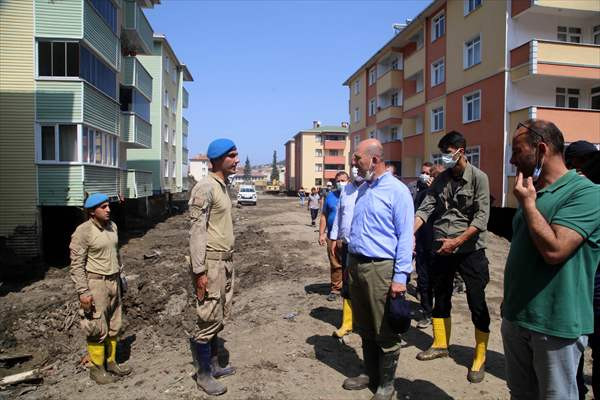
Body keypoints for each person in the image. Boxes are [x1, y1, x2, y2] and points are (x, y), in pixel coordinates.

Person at [502, 120, 600, 400]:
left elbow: (555, 251)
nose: (511, 159)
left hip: (555, 324)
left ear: (541, 149)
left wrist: (529, 206)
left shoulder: (587, 194)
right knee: (520, 394)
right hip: (517, 317)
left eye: (517, 151)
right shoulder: (533, 191)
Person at [414, 131, 491, 384]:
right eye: (442, 154)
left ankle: (479, 355)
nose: (444, 158)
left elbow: (481, 218)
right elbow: (426, 207)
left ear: (461, 151)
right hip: (441, 247)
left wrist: (456, 242)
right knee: (441, 293)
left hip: (470, 250)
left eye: (447, 153)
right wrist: (408, 233)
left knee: (476, 300)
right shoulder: (442, 179)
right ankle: (440, 344)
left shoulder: (479, 178)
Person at [342, 139, 414, 400]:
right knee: (364, 326)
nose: (353, 163)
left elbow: (406, 237)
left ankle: (387, 384)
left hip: (381, 269)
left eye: (357, 158)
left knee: (385, 330)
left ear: (374, 160)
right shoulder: (363, 188)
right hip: (357, 265)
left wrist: (400, 277)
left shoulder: (397, 192)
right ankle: (370, 373)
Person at [188, 138, 239, 396]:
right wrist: (199, 272)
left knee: (219, 314)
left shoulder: (222, 186)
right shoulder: (205, 187)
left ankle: (215, 364)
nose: (237, 160)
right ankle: (203, 374)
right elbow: (197, 232)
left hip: (225, 262)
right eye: (232, 155)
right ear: (217, 159)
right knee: (207, 316)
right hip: (210, 264)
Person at [69, 193, 130, 384]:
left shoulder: (113, 227)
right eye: (103, 207)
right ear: (92, 211)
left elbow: (115, 253)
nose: (108, 209)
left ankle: (111, 363)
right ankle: (97, 369)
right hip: (96, 283)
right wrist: (83, 292)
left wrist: (121, 277)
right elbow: (76, 264)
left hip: (113, 281)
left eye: (108, 206)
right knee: (96, 327)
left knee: (114, 325)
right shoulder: (83, 231)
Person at [330, 166, 363, 337]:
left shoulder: (370, 189)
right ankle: (348, 322)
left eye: (358, 164)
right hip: (347, 245)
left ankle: (365, 321)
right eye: (353, 166)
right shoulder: (347, 191)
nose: (356, 169)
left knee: (365, 285)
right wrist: (335, 237)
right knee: (348, 284)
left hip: (366, 247)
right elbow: (339, 215)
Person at [413, 163, 443, 329]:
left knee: (439, 282)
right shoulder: (422, 194)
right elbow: (416, 216)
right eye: (430, 175)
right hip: (423, 244)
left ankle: (440, 313)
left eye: (434, 176)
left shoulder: (447, 195)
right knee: (424, 281)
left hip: (440, 246)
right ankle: (426, 312)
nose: (430, 178)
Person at [319, 171, 349, 301]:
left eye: (343, 180)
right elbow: (324, 216)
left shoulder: (353, 195)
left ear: (349, 181)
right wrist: (321, 233)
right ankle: (336, 289)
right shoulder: (330, 196)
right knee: (335, 263)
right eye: (338, 181)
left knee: (349, 264)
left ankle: (349, 288)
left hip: (348, 237)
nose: (341, 183)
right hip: (332, 235)